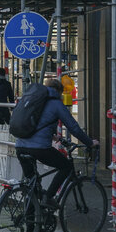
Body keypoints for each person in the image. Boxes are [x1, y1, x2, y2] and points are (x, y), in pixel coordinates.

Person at [14, 79, 98, 208]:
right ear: (59, 91)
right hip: (39, 148)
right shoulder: (56, 103)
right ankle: (48, 197)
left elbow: (34, 122)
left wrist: (51, 136)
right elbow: (73, 128)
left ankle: (31, 225)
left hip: (20, 146)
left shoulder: (33, 100)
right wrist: (89, 142)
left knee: (33, 186)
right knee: (66, 166)